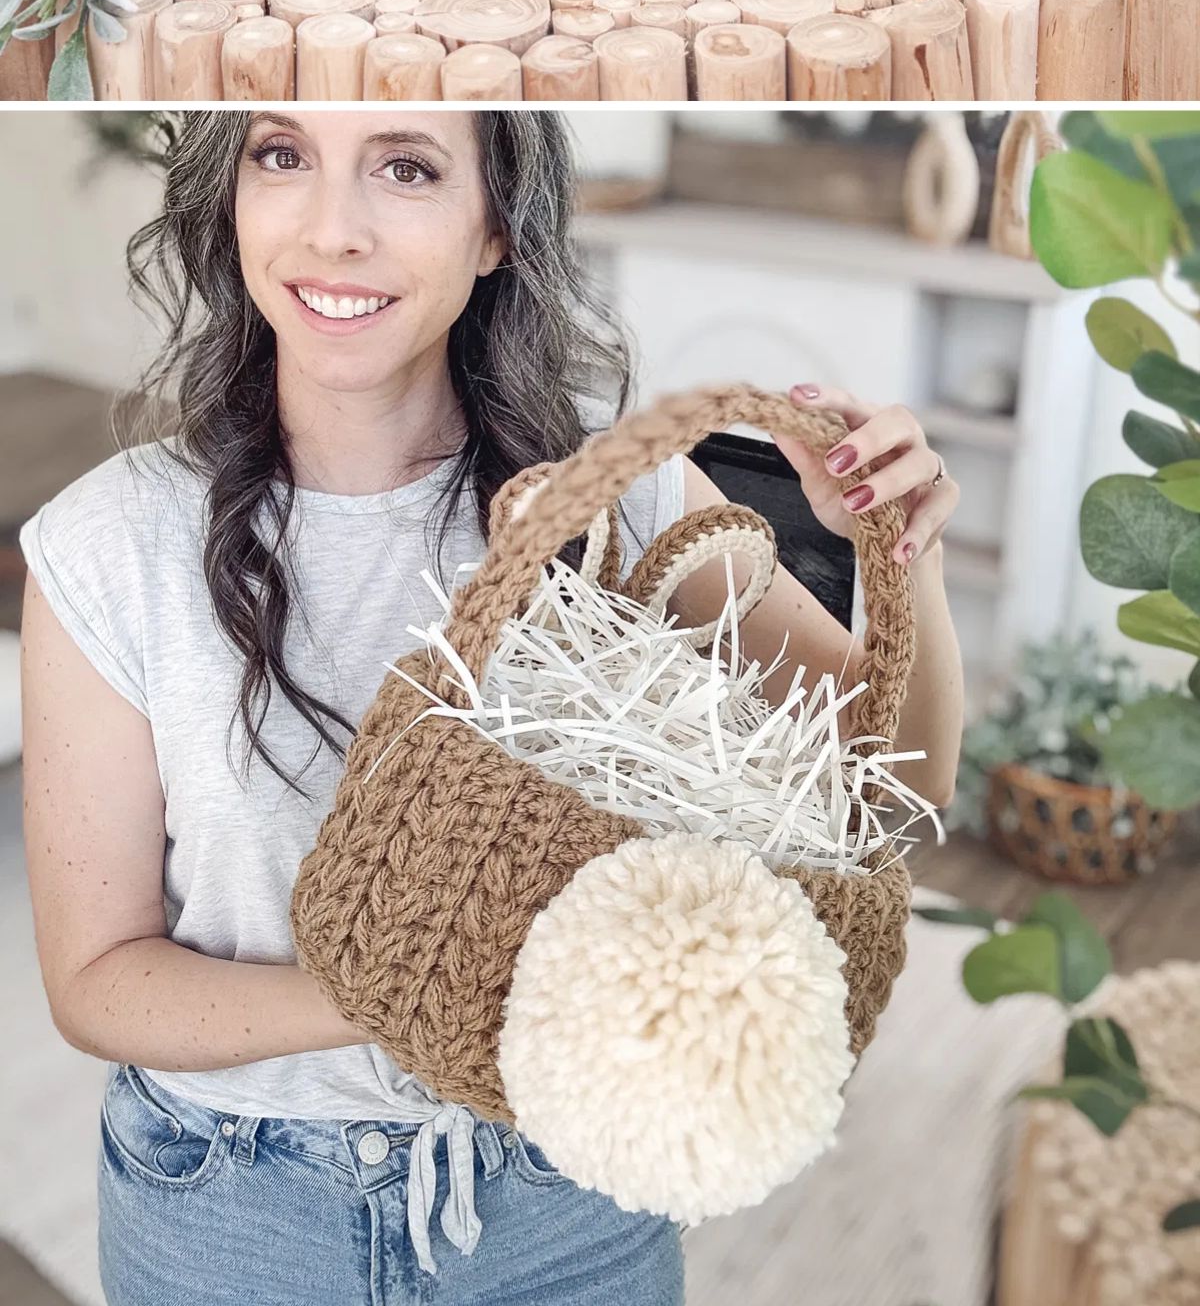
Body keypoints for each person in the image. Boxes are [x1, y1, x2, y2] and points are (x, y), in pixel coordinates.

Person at [19, 108, 964, 1306]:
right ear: (232, 194)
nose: (332, 230)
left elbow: (904, 780)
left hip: (561, 1193)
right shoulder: (114, 548)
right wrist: (443, 990)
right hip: (232, 1204)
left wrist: (903, 555)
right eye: (281, 155)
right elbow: (99, 978)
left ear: (496, 230)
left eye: (406, 168)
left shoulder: (619, 500)